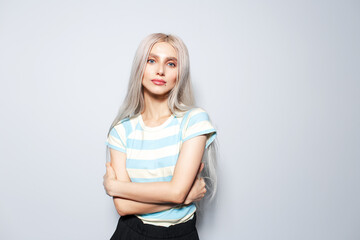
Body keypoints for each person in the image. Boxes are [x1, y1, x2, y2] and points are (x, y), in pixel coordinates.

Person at [103, 33, 218, 240]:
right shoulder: (121, 130)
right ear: (140, 67)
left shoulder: (194, 121)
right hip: (131, 233)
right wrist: (184, 198)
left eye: (171, 64)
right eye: (151, 60)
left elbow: (176, 191)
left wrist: (117, 187)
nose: (160, 70)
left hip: (181, 234)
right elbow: (122, 206)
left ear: (180, 73)